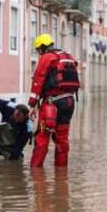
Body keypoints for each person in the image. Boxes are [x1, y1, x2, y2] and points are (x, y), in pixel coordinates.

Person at [28, 34, 80, 167]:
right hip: (69, 103)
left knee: (42, 136)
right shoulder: (67, 57)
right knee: (62, 139)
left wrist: (32, 105)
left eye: (38, 50)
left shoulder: (47, 57)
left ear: (42, 47)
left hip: (52, 105)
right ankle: (61, 174)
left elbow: (38, 80)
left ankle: (36, 173)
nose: (39, 53)